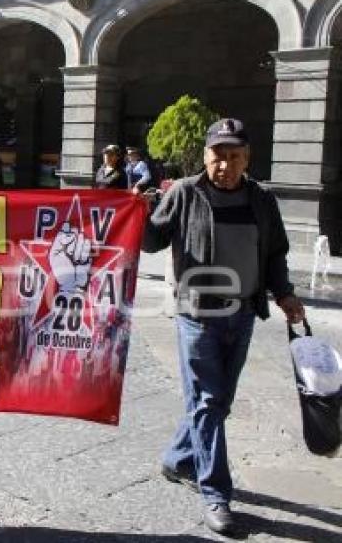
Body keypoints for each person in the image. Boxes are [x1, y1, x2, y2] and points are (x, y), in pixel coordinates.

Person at [143, 118, 305, 535]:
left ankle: (178, 458)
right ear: (205, 156)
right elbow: (150, 241)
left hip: (243, 314)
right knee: (209, 401)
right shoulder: (184, 193)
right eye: (218, 156)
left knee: (216, 402)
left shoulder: (261, 199)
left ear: (247, 159)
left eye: (235, 157)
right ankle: (216, 494)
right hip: (197, 316)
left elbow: (274, 253)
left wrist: (284, 294)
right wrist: (139, 210)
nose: (225, 165)